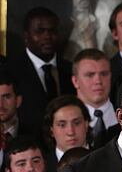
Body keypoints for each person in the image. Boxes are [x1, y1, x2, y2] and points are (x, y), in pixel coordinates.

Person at [8, 7, 75, 136]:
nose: (47, 36)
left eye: (52, 31)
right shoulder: (11, 71)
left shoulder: (70, 69)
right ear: (26, 36)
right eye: (40, 31)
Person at [71, 49, 120, 149]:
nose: (98, 81)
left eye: (104, 74)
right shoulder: (63, 121)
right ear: (75, 81)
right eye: (90, 75)